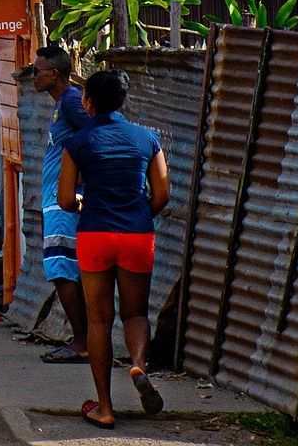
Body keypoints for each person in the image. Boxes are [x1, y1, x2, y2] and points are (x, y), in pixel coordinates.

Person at [59, 68, 170, 429]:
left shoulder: (78, 142)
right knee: (135, 314)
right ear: (123, 100)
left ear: (88, 103)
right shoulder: (147, 139)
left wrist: (82, 204)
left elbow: (63, 200)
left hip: (95, 235)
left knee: (99, 320)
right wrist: (138, 216)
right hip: (137, 234)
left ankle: (104, 407)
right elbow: (162, 194)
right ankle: (137, 363)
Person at [15, 44, 91, 364]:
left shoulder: (72, 102)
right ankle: (82, 340)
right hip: (57, 202)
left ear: (55, 74)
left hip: (64, 205)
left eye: (38, 70)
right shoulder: (63, 104)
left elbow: (95, 138)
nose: (33, 75)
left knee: (62, 270)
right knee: (65, 270)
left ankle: (82, 342)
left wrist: (77, 186)